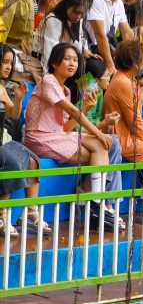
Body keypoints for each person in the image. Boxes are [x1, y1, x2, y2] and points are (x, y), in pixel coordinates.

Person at [23, 43, 122, 228]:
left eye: (75, 60)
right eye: (67, 59)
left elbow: (66, 127)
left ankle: (96, 203)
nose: (72, 63)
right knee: (101, 144)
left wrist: (85, 107)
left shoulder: (66, 90)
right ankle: (95, 203)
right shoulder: (48, 81)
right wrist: (99, 132)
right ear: (54, 63)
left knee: (101, 146)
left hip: (58, 136)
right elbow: (73, 113)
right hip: (40, 136)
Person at [102, 39, 143, 164]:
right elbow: (135, 121)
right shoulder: (123, 82)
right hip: (120, 139)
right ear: (135, 64)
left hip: (123, 135)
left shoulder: (125, 79)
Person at [87, 0, 135, 75]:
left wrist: (137, 60)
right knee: (99, 71)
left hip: (106, 50)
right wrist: (111, 67)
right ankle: (80, 87)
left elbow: (127, 33)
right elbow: (100, 36)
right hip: (88, 51)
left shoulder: (118, 1)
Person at [38, 0, 92, 67]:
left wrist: (85, 51)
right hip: (52, 64)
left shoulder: (78, 20)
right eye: (76, 12)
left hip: (68, 61)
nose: (79, 17)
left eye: (82, 14)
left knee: (95, 65)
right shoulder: (53, 20)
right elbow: (49, 54)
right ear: (68, 5)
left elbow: (78, 42)